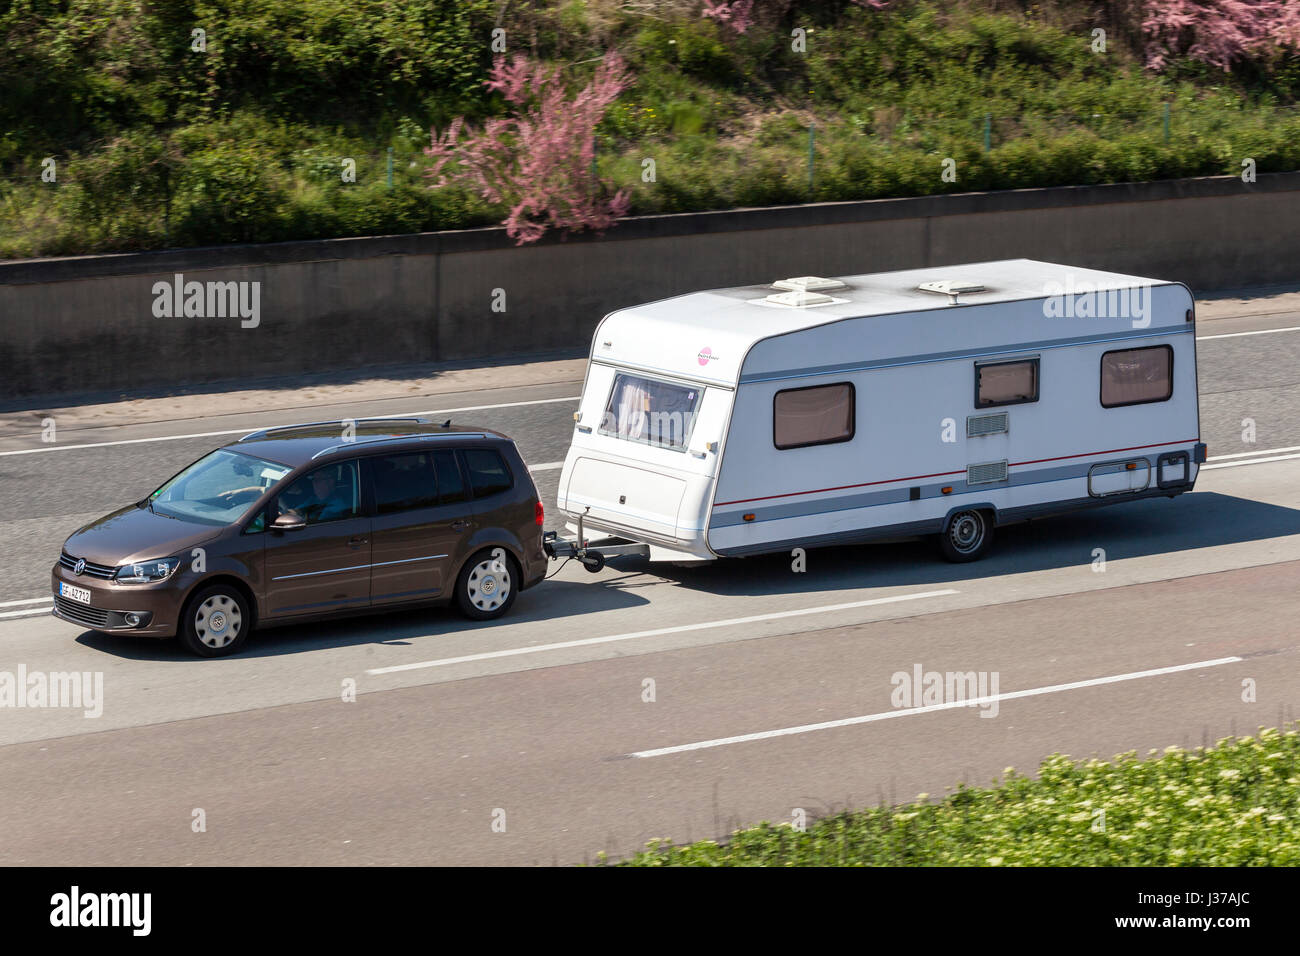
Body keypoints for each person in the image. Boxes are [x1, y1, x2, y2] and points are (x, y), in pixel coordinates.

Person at [280, 467, 353, 524]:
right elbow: (298, 511)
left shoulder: (336, 507)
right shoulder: (314, 498)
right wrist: (282, 512)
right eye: (313, 479)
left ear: (330, 481)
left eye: (318, 480)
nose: (314, 483)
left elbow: (313, 526)